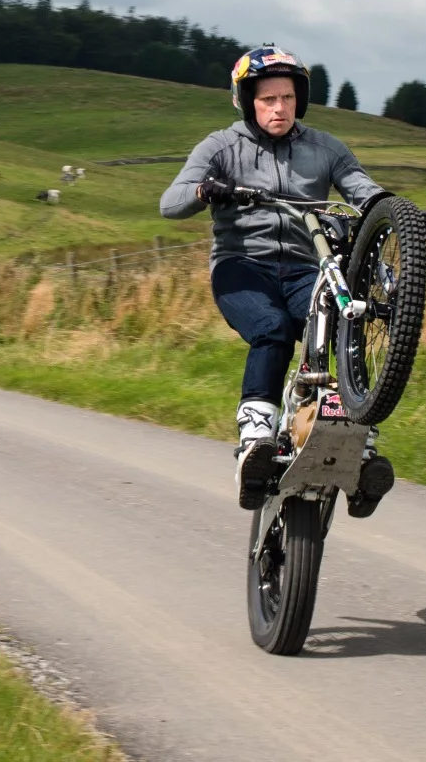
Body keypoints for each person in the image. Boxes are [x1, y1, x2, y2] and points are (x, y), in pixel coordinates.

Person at [160, 47, 391, 512]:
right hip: (242, 266)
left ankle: (356, 449)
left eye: (287, 98)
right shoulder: (221, 147)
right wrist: (207, 189)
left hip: (309, 268)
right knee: (272, 331)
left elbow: (365, 192)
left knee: (345, 323)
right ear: (247, 102)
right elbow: (171, 201)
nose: (279, 108)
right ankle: (255, 441)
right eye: (268, 100)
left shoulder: (326, 149)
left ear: (299, 100)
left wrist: (401, 213)